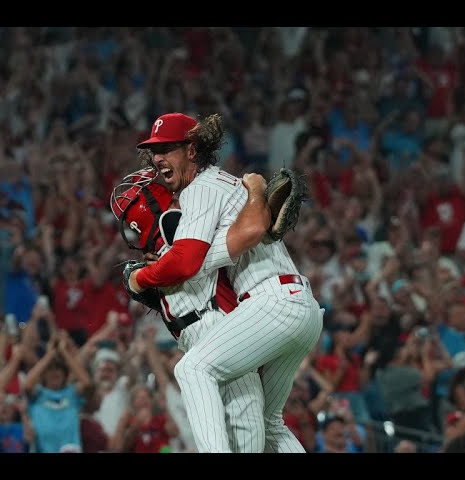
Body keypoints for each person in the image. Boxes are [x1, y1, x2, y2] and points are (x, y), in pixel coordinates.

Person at [127, 112, 323, 452]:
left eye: (168, 148)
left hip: (272, 302)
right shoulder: (226, 184)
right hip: (302, 307)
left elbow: (188, 261)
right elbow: (206, 255)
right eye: (155, 151)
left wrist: (142, 279)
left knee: (192, 369)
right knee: (269, 422)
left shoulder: (200, 188)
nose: (158, 158)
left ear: (191, 150)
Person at [111, 167, 271, 452]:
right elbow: (246, 231)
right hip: (218, 330)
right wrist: (257, 197)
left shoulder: (141, 269)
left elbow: (142, 279)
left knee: (237, 436)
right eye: (172, 199)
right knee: (246, 436)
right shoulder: (188, 239)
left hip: (204, 334)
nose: (178, 200)